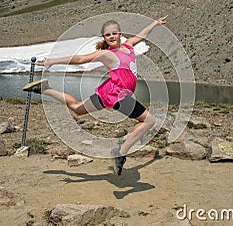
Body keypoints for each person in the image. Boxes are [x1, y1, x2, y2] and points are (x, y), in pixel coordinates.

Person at [23, 15, 168, 175]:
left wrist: (155, 23)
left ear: (120, 34)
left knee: (78, 108)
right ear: (104, 38)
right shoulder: (107, 54)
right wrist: (53, 61)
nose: (111, 36)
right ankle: (121, 151)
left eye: (114, 33)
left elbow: (142, 35)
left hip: (108, 92)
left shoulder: (129, 46)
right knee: (149, 121)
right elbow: (81, 59)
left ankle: (45, 89)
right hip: (117, 95)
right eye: (108, 34)